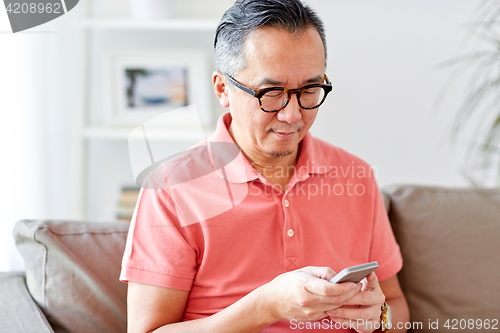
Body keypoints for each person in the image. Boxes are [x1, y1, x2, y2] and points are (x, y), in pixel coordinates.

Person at [120, 0, 410, 332]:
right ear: (222, 89)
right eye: (271, 92)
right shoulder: (170, 188)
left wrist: (380, 317)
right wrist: (267, 305)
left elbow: (397, 306)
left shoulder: (354, 175)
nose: (292, 115)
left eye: (310, 89)